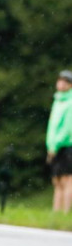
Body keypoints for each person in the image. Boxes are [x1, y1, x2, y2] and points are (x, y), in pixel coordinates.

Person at [47, 69, 72, 213]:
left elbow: (68, 128)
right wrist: (50, 145)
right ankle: (56, 213)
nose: (61, 83)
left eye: (66, 81)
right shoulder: (58, 100)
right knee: (56, 181)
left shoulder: (70, 101)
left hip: (67, 145)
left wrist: (55, 145)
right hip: (54, 146)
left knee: (67, 180)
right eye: (60, 80)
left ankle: (66, 212)